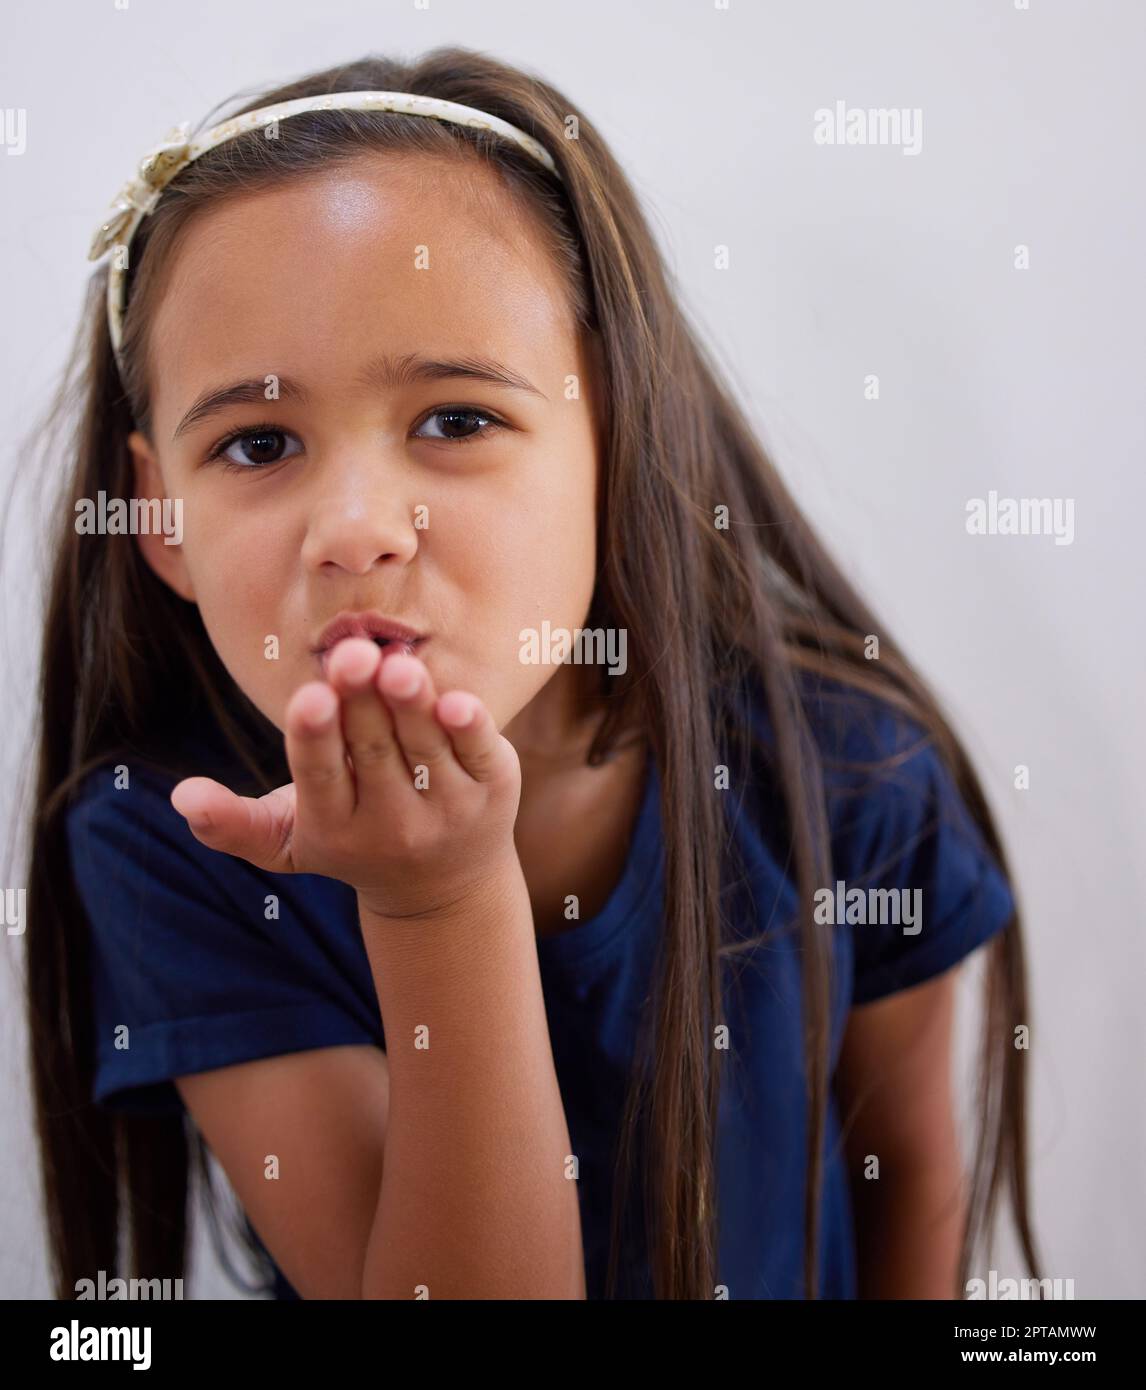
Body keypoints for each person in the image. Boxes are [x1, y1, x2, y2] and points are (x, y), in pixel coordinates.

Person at [26, 47, 1040, 1300]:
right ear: (161, 521)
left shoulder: (849, 771)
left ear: (614, 429)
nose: (356, 526)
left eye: (455, 420)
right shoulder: (177, 840)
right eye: (259, 441)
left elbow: (914, 1187)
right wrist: (435, 905)